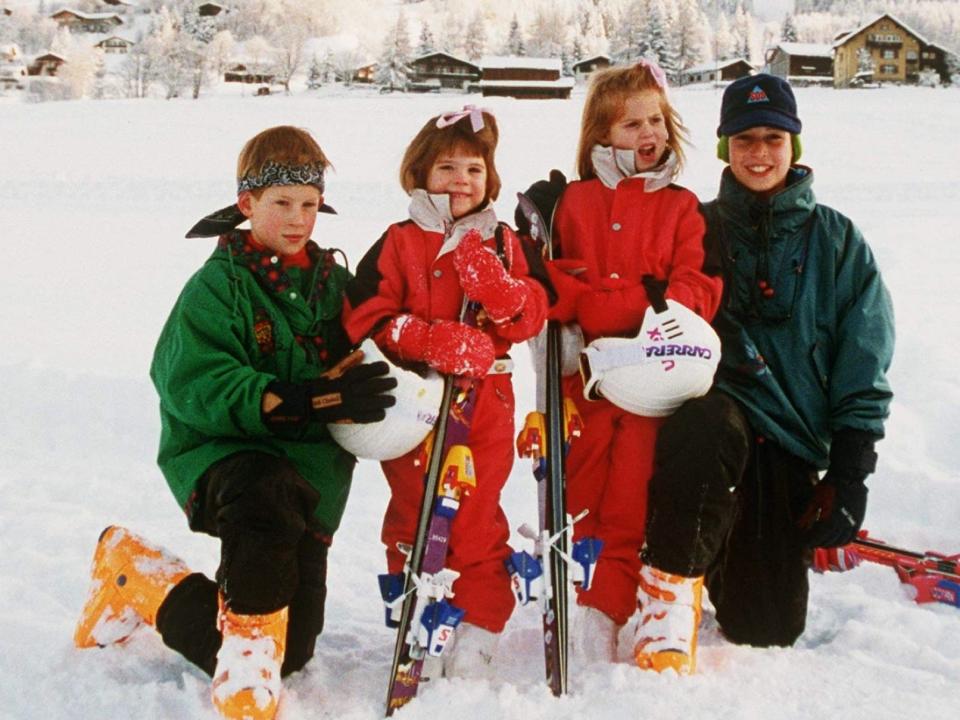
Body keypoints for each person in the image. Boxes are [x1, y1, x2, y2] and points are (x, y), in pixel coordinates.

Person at [73, 126, 397, 720]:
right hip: (224, 456)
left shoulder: (332, 285)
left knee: (293, 650)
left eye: (309, 204)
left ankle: (135, 577)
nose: (298, 219)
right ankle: (244, 674)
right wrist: (294, 397)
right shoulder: (219, 285)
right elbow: (187, 377)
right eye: (282, 204)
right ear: (247, 204)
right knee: (264, 493)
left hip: (311, 480)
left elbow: (371, 343)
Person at [638, 74, 894, 672]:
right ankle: (668, 587)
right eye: (744, 138)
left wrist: (851, 473)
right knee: (707, 423)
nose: (759, 152)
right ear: (726, 148)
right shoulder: (693, 225)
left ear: (793, 146)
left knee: (766, 628)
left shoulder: (838, 240)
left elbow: (864, 355)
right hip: (704, 433)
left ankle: (737, 552)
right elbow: (620, 262)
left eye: (773, 138)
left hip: (788, 446)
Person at [517, 61, 723, 669]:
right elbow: (550, 287)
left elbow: (695, 292)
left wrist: (608, 305)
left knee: (633, 489)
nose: (647, 133)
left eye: (655, 120)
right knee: (578, 486)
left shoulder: (684, 208)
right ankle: (582, 594)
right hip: (581, 379)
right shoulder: (572, 205)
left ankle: (612, 603)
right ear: (601, 134)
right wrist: (627, 294)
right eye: (631, 123)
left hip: (649, 373)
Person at [342, 106, 550, 679]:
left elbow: (534, 309)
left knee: (476, 512)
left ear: (491, 180)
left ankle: (480, 624)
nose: (461, 180)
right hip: (415, 402)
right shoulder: (398, 241)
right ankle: (420, 613)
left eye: (475, 169)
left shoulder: (502, 240)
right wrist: (420, 336)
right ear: (419, 173)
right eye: (447, 166)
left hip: (486, 400)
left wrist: (506, 296)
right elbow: (365, 312)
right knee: (414, 509)